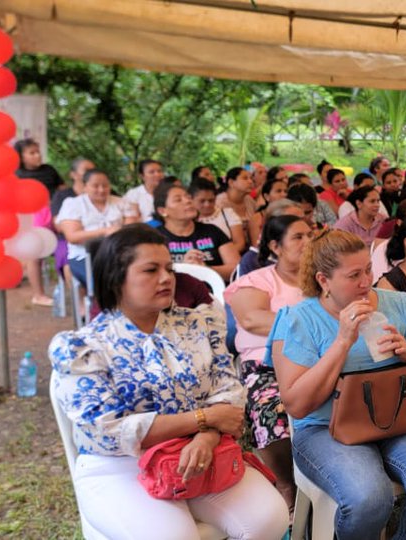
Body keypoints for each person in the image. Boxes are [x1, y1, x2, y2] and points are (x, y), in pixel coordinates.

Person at [48, 225, 289, 539]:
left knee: (269, 519)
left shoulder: (198, 323)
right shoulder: (86, 345)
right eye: (151, 270)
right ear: (115, 278)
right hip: (121, 466)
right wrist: (203, 419)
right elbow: (108, 430)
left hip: (200, 451)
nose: (166, 278)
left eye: (169, 268)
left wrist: (208, 436)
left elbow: (228, 390)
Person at [268, 230, 406, 539]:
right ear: (323, 280)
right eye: (353, 275)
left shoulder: (397, 304)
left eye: (368, 269)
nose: (365, 281)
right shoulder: (298, 319)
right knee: (369, 497)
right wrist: (342, 341)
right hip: (325, 426)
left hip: (399, 417)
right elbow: (297, 404)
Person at [223, 215, 310, 508]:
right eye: (298, 237)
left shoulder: (323, 278)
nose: (308, 242)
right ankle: (287, 484)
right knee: (272, 412)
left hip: (319, 361)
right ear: (276, 245)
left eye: (310, 234)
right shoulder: (256, 281)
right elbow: (252, 319)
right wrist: (313, 325)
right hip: (266, 365)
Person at [56, 168, 140, 289]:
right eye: (95, 186)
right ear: (85, 187)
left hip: (119, 254)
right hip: (84, 256)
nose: (101, 190)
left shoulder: (121, 203)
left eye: (105, 185)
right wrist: (105, 231)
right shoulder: (73, 204)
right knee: (106, 280)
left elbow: (131, 230)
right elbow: (73, 237)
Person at [13, 139, 65, 306]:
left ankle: (63, 289)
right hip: (31, 218)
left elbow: (62, 189)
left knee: (63, 249)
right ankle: (38, 295)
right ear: (22, 157)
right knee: (34, 255)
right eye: (32, 153)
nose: (37, 155)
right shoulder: (17, 174)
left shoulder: (49, 170)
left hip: (55, 215)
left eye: (38, 151)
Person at [153, 182, 239, 280]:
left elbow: (236, 269)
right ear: (162, 211)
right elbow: (153, 276)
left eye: (188, 197)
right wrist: (184, 268)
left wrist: (206, 269)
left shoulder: (212, 230)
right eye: (178, 200)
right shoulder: (155, 238)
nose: (188, 201)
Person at [189, 178, 247, 256]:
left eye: (211, 200)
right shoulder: (187, 219)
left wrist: (217, 256)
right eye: (202, 201)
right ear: (191, 199)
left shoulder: (228, 214)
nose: (207, 204)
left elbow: (240, 244)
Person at [216, 167, 259, 249]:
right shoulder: (220, 203)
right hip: (231, 249)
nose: (250, 181)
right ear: (231, 182)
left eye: (250, 178)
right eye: (245, 178)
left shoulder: (249, 200)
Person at [123, 159, 164, 223]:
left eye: (159, 171)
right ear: (142, 176)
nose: (157, 174)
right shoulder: (134, 194)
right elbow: (132, 221)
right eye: (151, 172)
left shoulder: (169, 192)